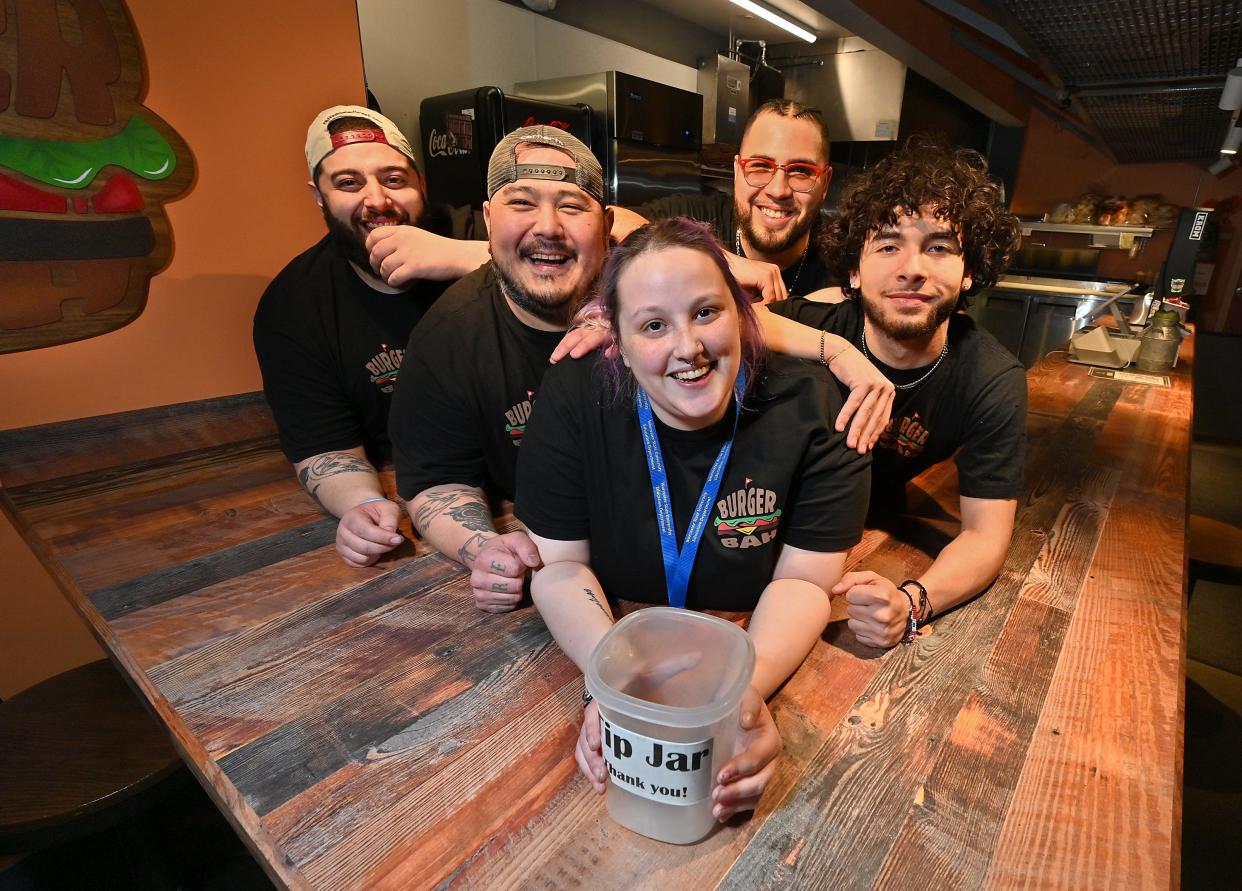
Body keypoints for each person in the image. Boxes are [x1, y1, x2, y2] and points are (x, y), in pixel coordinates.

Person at [515, 217, 870, 820]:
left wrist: (742, 703)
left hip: (746, 646)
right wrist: (615, 688)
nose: (688, 347)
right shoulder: (576, 394)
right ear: (618, 347)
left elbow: (804, 583)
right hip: (615, 636)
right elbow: (559, 571)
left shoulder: (817, 409)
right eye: (654, 325)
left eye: (707, 312)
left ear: (742, 316)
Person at [763, 138, 1026, 648]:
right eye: (887, 245)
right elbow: (733, 320)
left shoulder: (991, 378)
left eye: (940, 247)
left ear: (969, 271)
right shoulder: (818, 325)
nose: (912, 268)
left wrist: (911, 602)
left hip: (869, 537)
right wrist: (837, 352)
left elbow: (986, 535)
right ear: (855, 271)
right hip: (775, 536)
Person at [388, 126, 613, 611]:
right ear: (489, 219)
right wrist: (485, 548)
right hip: (555, 567)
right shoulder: (449, 333)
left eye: (572, 206)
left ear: (607, 224)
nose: (549, 226)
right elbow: (437, 480)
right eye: (522, 203)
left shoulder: (657, 301)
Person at [253, 105, 484, 569]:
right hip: (422, 488)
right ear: (318, 196)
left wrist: (466, 259)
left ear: (422, 185)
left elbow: (622, 240)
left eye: (394, 179)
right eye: (348, 183)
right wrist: (360, 507)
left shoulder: (476, 232)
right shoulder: (294, 303)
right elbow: (325, 444)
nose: (377, 201)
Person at [612, 99, 836, 299]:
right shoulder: (698, 218)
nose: (778, 191)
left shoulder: (842, 258)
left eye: (800, 171)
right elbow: (612, 220)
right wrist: (719, 261)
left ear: (824, 184)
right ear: (737, 171)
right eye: (760, 166)